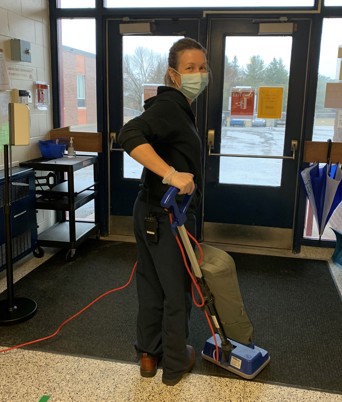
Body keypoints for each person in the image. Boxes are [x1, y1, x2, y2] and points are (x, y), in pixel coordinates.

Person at [118, 37, 208, 386]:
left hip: (149, 210)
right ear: (173, 74)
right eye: (190, 68)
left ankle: (147, 354)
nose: (198, 74)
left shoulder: (178, 107)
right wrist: (170, 174)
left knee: (151, 284)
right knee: (176, 290)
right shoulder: (170, 105)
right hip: (168, 216)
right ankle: (173, 364)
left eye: (202, 68)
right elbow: (129, 133)